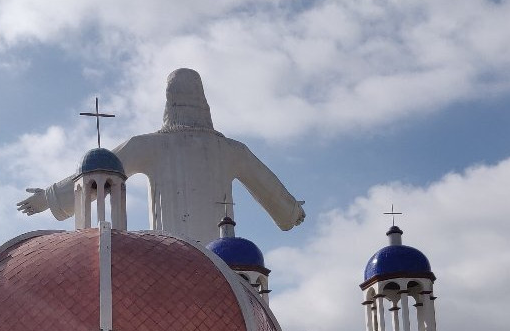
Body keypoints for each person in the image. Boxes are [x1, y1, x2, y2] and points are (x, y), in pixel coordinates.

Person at [17, 68, 305, 245]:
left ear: (169, 102)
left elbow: (99, 172)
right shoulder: (231, 150)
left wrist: (49, 198)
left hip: (171, 254)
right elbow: (267, 186)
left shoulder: (150, 145)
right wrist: (291, 212)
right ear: (204, 102)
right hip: (220, 259)